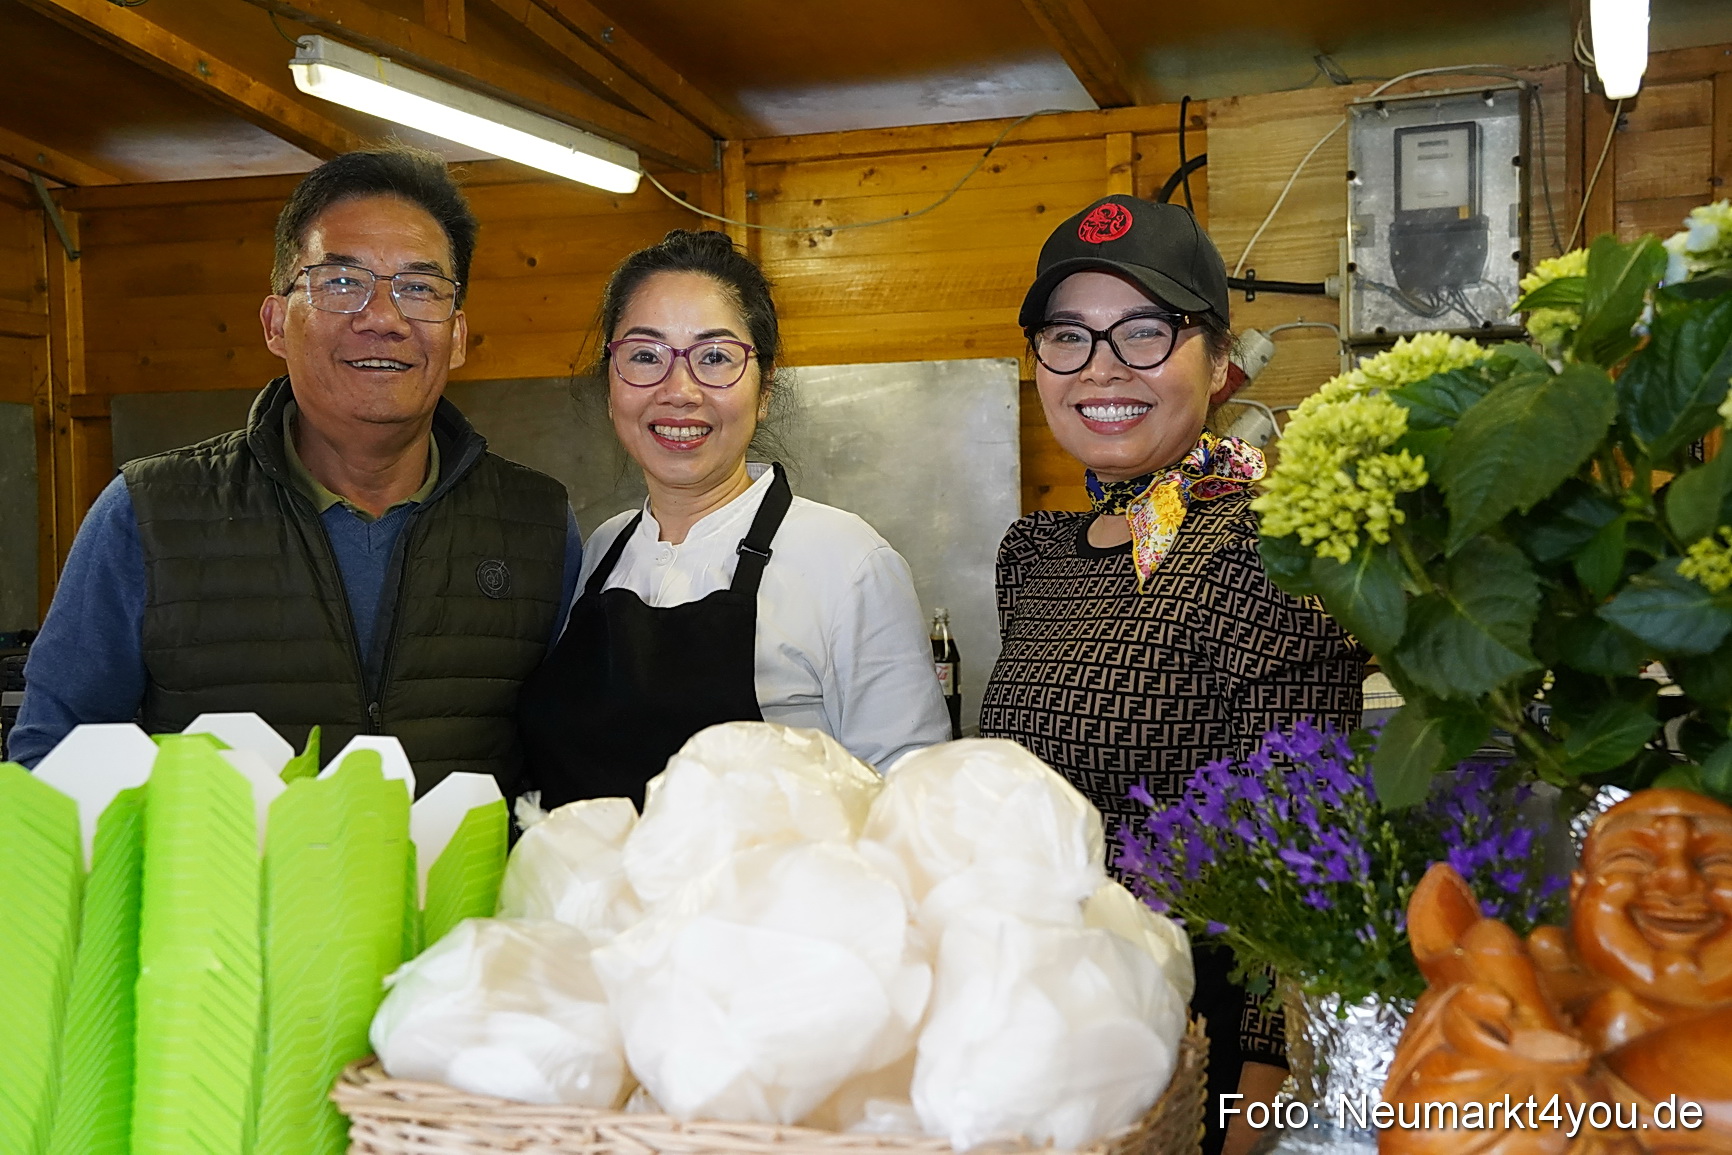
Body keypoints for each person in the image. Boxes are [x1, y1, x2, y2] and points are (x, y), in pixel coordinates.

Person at [976, 195, 1366, 1155]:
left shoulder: (1268, 541)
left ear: (1221, 361)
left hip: (1194, 1057)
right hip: (1043, 1044)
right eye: (1067, 336)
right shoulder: (1036, 553)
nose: (1101, 368)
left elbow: (1305, 859)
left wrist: (1255, 1119)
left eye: (1144, 332)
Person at [10, 147, 582, 794]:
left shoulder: (537, 522)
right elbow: (49, 772)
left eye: (420, 288)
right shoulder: (148, 514)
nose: (384, 319)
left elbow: (569, 767)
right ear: (276, 322)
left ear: (456, 334)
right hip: (224, 898)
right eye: (341, 282)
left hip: (476, 899)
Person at [517, 229, 949, 808]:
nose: (679, 391)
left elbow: (911, 799)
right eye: (645, 356)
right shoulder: (602, 549)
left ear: (765, 387)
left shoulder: (847, 560)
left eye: (715, 357)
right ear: (611, 383)